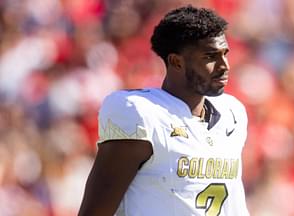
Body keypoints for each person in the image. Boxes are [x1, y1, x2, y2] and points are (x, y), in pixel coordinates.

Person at [78, 5, 249, 216]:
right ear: (176, 61)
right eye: (210, 56)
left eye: (225, 54)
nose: (224, 65)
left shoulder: (232, 114)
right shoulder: (141, 113)